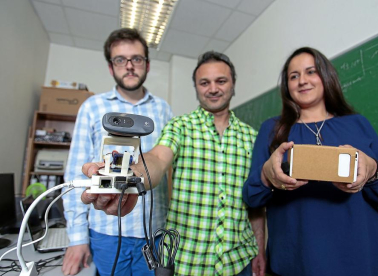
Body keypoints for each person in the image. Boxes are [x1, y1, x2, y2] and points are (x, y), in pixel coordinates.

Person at [81, 51, 266, 276]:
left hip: (239, 262)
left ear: (233, 84)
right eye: (204, 83)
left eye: (221, 81)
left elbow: (255, 206)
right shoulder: (180, 126)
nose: (213, 89)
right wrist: (131, 175)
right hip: (186, 262)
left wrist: (261, 251)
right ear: (196, 87)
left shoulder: (252, 137)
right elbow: (157, 159)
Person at [242, 46, 378, 276]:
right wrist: (266, 175)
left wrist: (373, 170)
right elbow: (251, 197)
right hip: (295, 267)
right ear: (286, 86)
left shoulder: (358, 125)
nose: (302, 80)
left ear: (326, 76)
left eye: (311, 72)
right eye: (294, 76)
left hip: (362, 266)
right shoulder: (272, 130)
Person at [62, 28, 173, 276]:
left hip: (153, 230)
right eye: (120, 60)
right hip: (106, 231)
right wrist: (77, 238)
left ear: (147, 65)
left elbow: (167, 169)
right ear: (111, 68)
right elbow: (75, 176)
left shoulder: (164, 110)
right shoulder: (92, 107)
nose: (130, 66)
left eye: (137, 59)